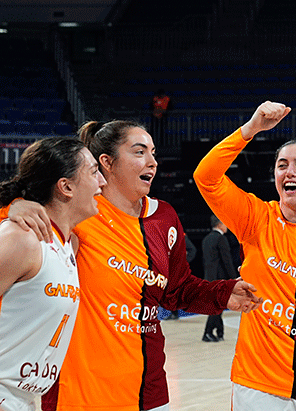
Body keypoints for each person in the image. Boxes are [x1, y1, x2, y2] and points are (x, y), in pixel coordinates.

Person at [4, 120, 262, 411]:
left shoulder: (164, 217)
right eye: (139, 152)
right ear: (107, 162)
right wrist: (14, 205)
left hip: (150, 394)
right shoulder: (79, 211)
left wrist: (223, 294)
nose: (152, 162)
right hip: (83, 394)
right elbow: (20, 219)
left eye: (153, 152)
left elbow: (177, 291)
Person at [194, 101, 296, 411]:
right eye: (282, 165)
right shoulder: (256, 218)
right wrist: (250, 129)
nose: (289, 171)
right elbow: (206, 177)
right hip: (257, 384)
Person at [0, 137, 106, 411]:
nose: (102, 182)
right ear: (66, 187)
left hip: (23, 399)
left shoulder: (69, 244)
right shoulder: (22, 238)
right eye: (94, 172)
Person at [201, 214, 238, 342]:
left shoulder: (206, 239)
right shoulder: (221, 239)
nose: (226, 226)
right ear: (219, 224)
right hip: (219, 279)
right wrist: (234, 279)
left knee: (218, 306)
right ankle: (207, 332)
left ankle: (219, 331)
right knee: (217, 307)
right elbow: (227, 261)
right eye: (224, 223)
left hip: (209, 278)